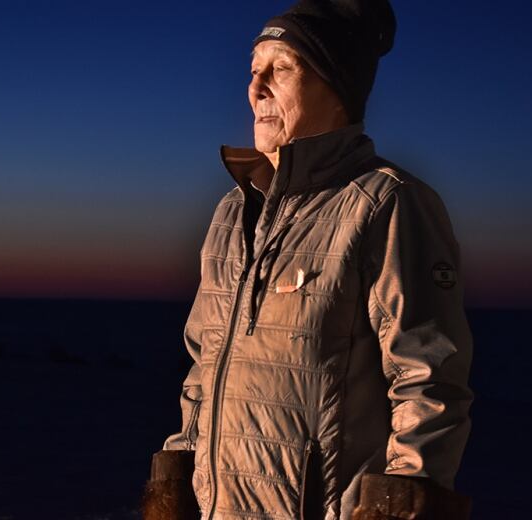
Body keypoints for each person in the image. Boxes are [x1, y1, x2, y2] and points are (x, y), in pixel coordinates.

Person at [141, 1, 474, 518]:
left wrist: (399, 505)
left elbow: (428, 384)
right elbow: (202, 371)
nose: (257, 88)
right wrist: (176, 489)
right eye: (254, 70)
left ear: (337, 87)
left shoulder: (386, 203)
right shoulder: (231, 212)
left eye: (282, 68)